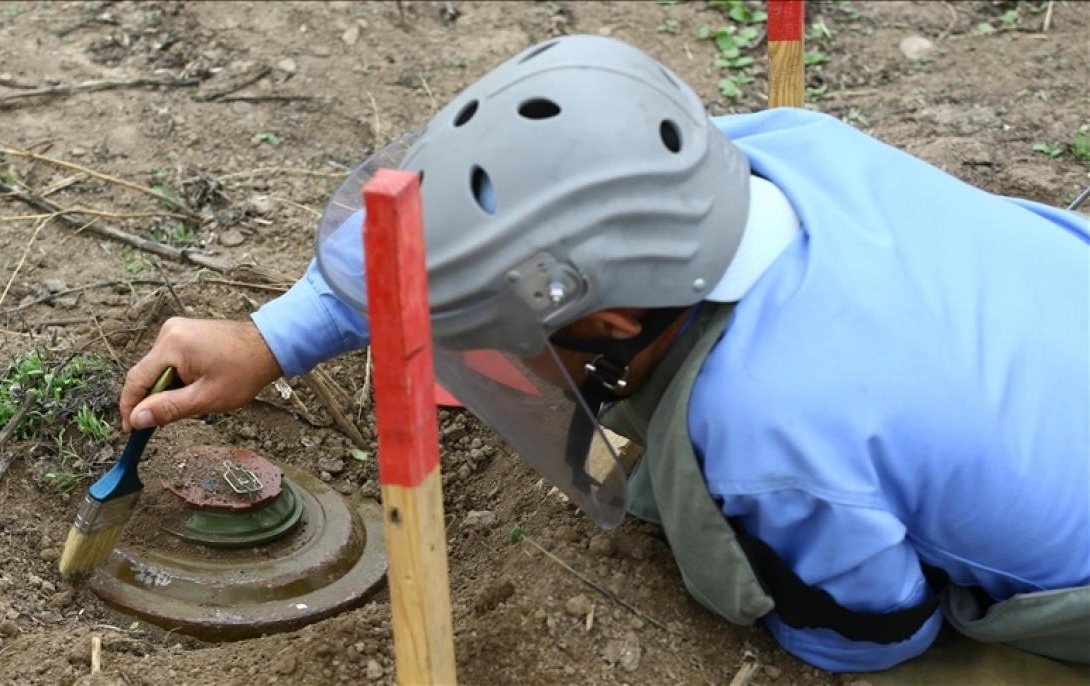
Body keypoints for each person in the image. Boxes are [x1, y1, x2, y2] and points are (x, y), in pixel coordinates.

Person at [118, 36, 1089, 673]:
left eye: (501, 329)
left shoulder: (759, 432)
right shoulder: (781, 146)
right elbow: (478, 219)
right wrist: (270, 337)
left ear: (609, 320)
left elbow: (874, 627)